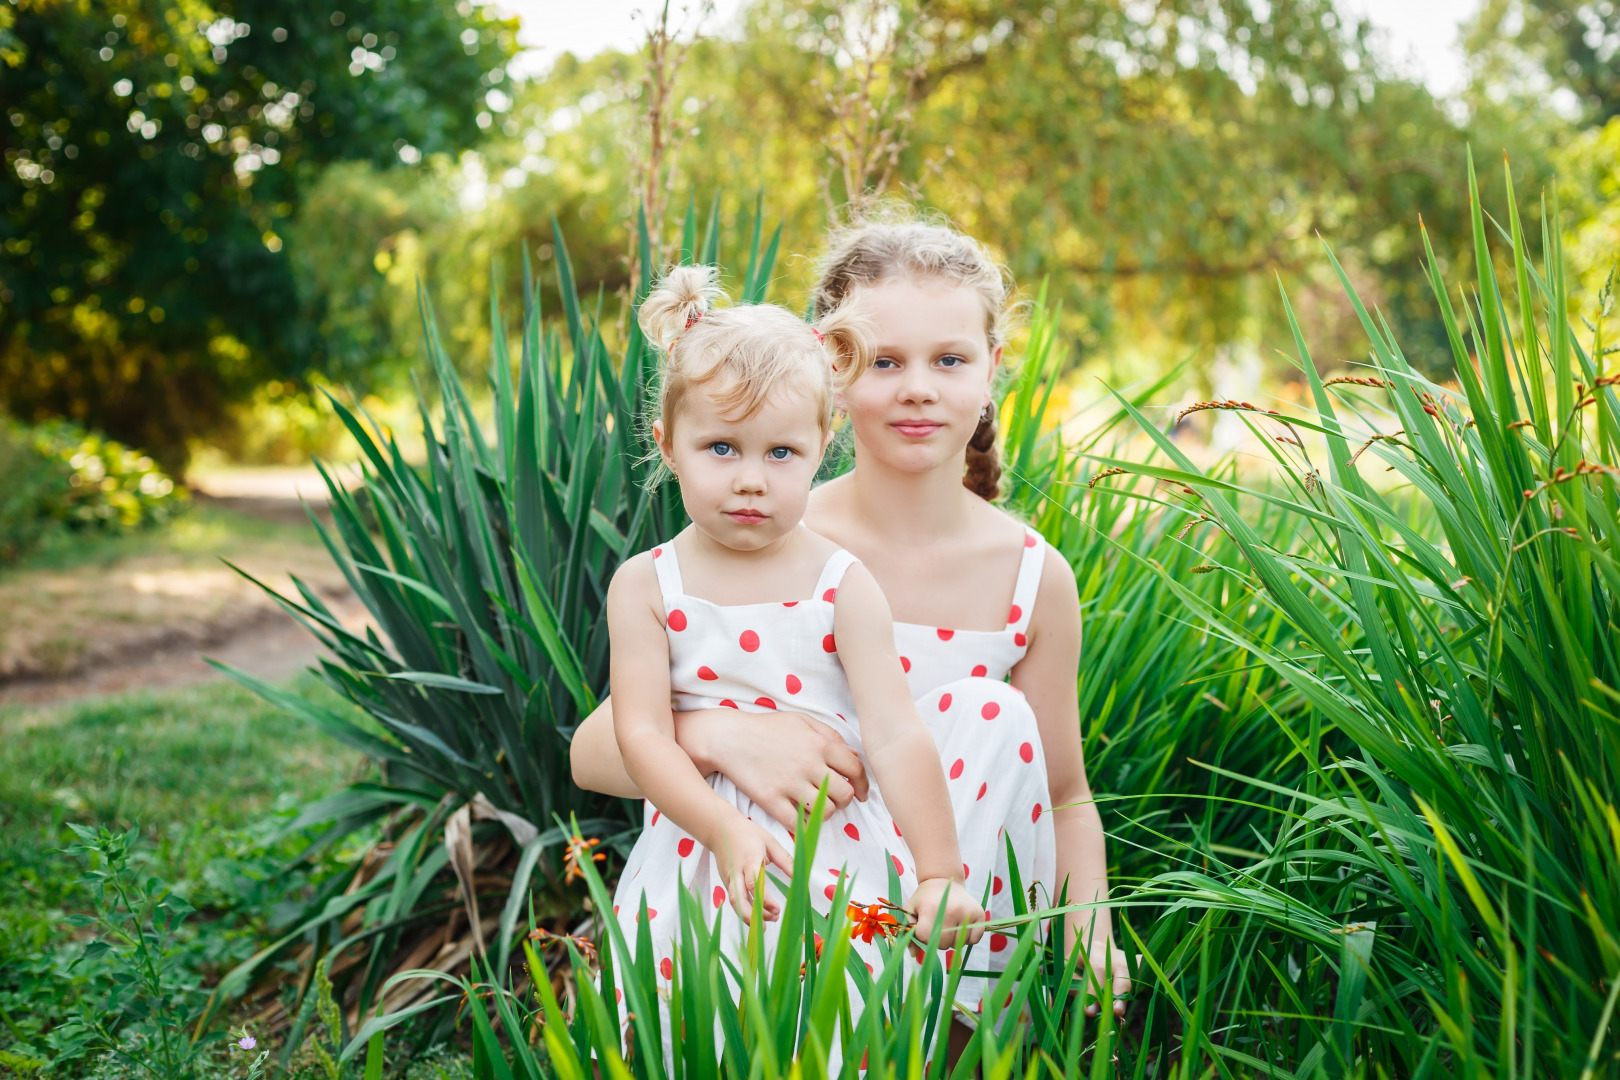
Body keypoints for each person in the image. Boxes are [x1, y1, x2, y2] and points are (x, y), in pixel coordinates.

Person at [576, 217, 1129, 1018]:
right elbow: (599, 752)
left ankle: (945, 1026)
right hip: (780, 872)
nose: (917, 387)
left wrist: (1092, 930)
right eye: (884, 361)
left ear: (990, 371)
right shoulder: (766, 539)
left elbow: (1065, 792)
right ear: (833, 372)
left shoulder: (1030, 575)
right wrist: (722, 732)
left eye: (949, 359)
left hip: (934, 894)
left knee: (991, 713)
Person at [606, 264, 986, 1002]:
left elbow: (897, 733)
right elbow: (643, 736)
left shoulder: (842, 584)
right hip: (697, 846)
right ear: (667, 443)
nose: (751, 479)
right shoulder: (648, 585)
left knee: (835, 1023)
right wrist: (720, 828)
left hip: (838, 850)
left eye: (781, 454)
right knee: (699, 1020)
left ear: (822, 446)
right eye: (722, 448)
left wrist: (940, 874)